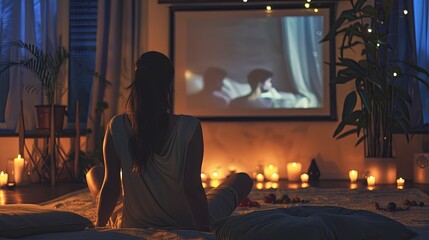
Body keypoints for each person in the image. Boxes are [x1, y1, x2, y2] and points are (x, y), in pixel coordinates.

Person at [86, 51, 253, 231]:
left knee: (96, 173)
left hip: (134, 223)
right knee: (242, 179)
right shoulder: (189, 126)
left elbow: (111, 186)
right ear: (168, 85)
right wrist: (204, 229)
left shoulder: (116, 125)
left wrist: (99, 227)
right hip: (185, 223)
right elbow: (192, 188)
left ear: (136, 83)